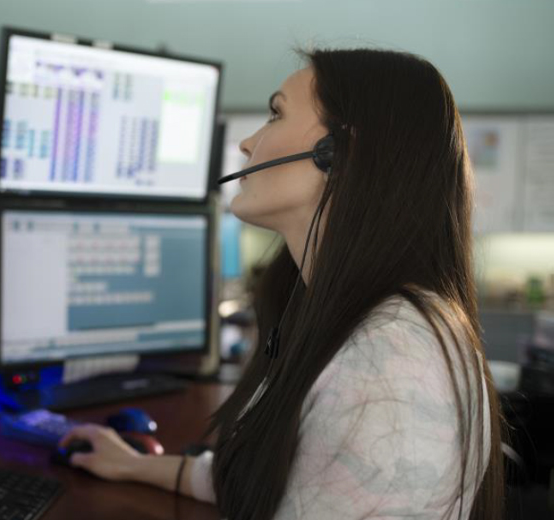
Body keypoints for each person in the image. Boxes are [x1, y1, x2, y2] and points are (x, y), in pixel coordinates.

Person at [59, 47, 506, 520]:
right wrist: (134, 467)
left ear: (336, 153)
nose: (247, 144)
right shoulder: (344, 316)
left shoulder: (388, 368)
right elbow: (289, 480)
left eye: (275, 114)